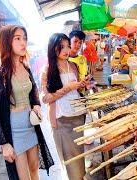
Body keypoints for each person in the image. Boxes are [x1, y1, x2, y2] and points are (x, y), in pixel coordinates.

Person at [0, 25, 53, 180]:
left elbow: (34, 91)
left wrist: (37, 104)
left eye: (24, 38)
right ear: (6, 41)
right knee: (22, 176)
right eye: (17, 38)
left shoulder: (25, 66)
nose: (23, 42)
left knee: (34, 169)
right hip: (14, 130)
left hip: (31, 125)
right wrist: (4, 143)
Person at [40, 33, 90, 179]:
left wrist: (82, 84)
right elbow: (45, 98)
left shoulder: (73, 65)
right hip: (62, 121)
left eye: (68, 46)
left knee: (79, 155)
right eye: (62, 47)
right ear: (53, 48)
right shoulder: (48, 69)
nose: (67, 50)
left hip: (78, 116)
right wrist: (67, 88)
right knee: (69, 160)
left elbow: (77, 89)